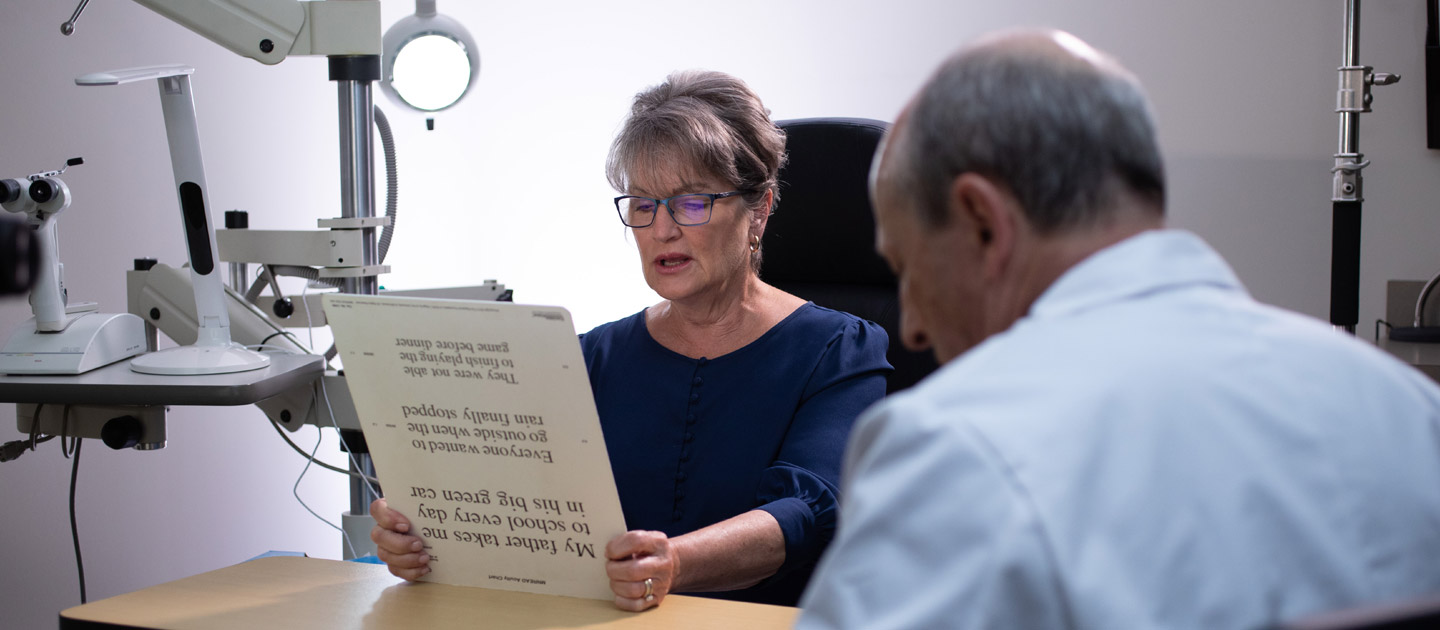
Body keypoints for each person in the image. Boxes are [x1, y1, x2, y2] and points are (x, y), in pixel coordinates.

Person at [797, 29, 1440, 629]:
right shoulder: (1409, 408)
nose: (910, 326)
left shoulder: (956, 447)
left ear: (983, 222)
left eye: (909, 268)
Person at [371, 70, 892, 610]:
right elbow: (509, 498)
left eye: (692, 203)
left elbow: (810, 509)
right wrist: (421, 534)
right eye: (643, 205)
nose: (662, 231)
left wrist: (673, 564)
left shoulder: (840, 349)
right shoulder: (589, 357)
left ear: (758, 207)